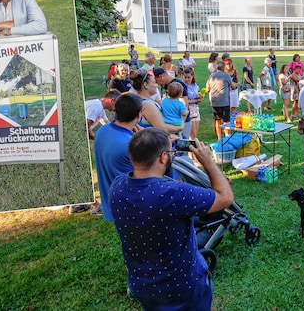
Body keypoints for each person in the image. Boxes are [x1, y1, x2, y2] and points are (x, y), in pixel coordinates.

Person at [110, 128, 234, 310]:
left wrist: (158, 143)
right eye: (170, 152)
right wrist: (207, 160)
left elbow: (153, 184)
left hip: (143, 284)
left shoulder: (117, 187)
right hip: (182, 288)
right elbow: (225, 197)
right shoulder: (173, 194)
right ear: (162, 158)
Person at [94, 93, 143, 221]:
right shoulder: (131, 146)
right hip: (131, 210)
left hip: (111, 204)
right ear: (139, 114)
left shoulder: (101, 132)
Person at [131, 68, 182, 134]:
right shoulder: (147, 105)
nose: (157, 85)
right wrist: (180, 127)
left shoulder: (142, 100)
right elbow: (162, 128)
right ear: (145, 85)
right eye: (154, 82)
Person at [154, 67, 190, 137]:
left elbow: (185, 104)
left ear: (161, 77)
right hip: (169, 124)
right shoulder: (166, 86)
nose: (157, 84)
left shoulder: (178, 85)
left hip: (180, 122)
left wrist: (182, 124)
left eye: (156, 81)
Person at [207, 61, 234, 140]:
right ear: (224, 68)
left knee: (217, 120)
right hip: (224, 101)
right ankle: (227, 137)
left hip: (214, 101)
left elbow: (208, 88)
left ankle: (219, 138)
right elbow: (232, 86)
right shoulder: (226, 76)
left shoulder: (211, 76)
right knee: (226, 121)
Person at [182, 68, 202, 140]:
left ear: (192, 77)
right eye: (185, 77)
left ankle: (192, 150)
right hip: (188, 110)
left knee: (195, 134)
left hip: (195, 110)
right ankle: (191, 150)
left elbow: (196, 96)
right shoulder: (182, 86)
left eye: (188, 77)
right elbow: (184, 101)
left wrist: (199, 97)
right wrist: (195, 101)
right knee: (192, 136)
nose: (187, 79)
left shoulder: (195, 86)